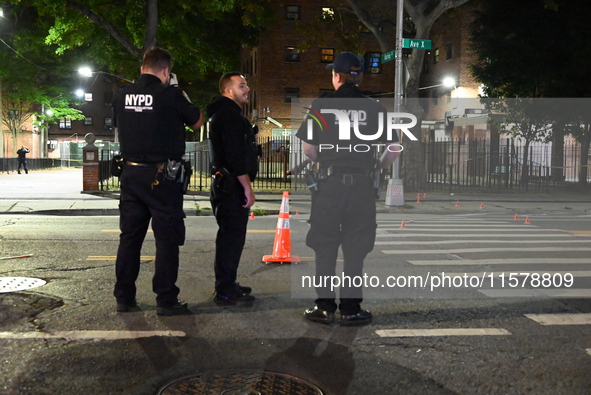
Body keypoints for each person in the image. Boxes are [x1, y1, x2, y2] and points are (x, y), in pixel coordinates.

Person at [296, 52, 401, 326]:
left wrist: (329, 163)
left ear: (337, 76)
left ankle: (325, 307)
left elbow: (309, 149)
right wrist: (378, 167)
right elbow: (394, 147)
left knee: (325, 245)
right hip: (363, 188)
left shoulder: (321, 105)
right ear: (359, 77)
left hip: (329, 187)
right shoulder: (374, 107)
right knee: (356, 248)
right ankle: (352, 309)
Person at [112, 47, 203, 316]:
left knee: (129, 238)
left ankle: (124, 298)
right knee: (166, 239)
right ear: (166, 71)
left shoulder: (120, 95)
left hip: (130, 173)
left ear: (142, 68)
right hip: (162, 177)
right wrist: (178, 90)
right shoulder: (170, 94)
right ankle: (166, 299)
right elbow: (197, 121)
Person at [206, 72, 259, 305]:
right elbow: (234, 156)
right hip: (231, 186)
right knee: (231, 239)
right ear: (228, 91)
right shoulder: (228, 116)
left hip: (226, 184)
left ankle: (228, 283)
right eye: (242, 85)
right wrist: (247, 188)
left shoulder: (225, 114)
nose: (247, 89)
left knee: (231, 238)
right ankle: (225, 290)